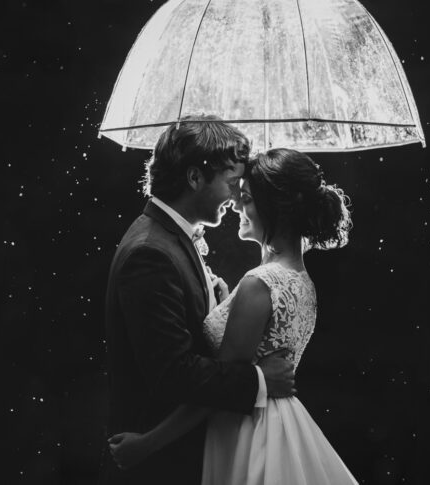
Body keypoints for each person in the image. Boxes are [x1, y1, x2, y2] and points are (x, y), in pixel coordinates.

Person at [109, 147, 359, 484]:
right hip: (282, 425)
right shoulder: (300, 280)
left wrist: (147, 443)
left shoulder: (260, 284)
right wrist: (225, 305)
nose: (237, 205)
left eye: (249, 199)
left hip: (247, 430)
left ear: (276, 209)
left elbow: (216, 391)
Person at [100, 117, 296, 485]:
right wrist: (258, 380)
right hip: (158, 469)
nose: (237, 196)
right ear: (194, 178)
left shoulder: (169, 238)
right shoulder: (150, 253)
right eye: (231, 183)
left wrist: (216, 306)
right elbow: (172, 374)